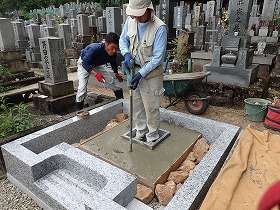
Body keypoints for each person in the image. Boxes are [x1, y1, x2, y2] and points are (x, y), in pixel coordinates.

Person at [119, 0, 167, 142]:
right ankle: (141, 132)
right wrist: (126, 53)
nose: (135, 17)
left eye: (138, 14)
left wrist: (142, 73)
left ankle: (152, 136)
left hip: (151, 74)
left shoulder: (159, 28)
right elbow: (123, 40)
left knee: (151, 107)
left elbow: (157, 58)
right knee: (137, 105)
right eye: (133, 14)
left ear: (148, 10)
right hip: (134, 71)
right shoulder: (130, 21)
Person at [76, 32, 123, 110]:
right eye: (112, 47)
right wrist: (96, 75)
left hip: (96, 65)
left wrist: (116, 72)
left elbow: (113, 62)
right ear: (106, 44)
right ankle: (79, 111)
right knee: (82, 88)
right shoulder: (94, 49)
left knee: (110, 80)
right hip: (84, 64)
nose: (114, 50)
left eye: (116, 48)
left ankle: (121, 101)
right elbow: (85, 64)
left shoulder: (113, 53)